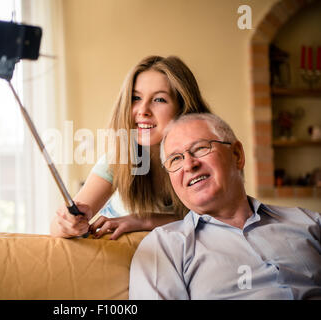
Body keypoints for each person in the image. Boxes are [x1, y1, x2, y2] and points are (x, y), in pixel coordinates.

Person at [129, 112, 321, 299]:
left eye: (200, 148)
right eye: (176, 159)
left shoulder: (310, 222)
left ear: (237, 155)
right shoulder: (164, 247)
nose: (189, 165)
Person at [50, 55, 211, 240]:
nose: (143, 110)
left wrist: (142, 221)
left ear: (183, 108)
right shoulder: (118, 159)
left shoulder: (206, 158)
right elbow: (55, 229)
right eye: (136, 98)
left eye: (159, 100)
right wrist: (67, 222)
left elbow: (215, 220)